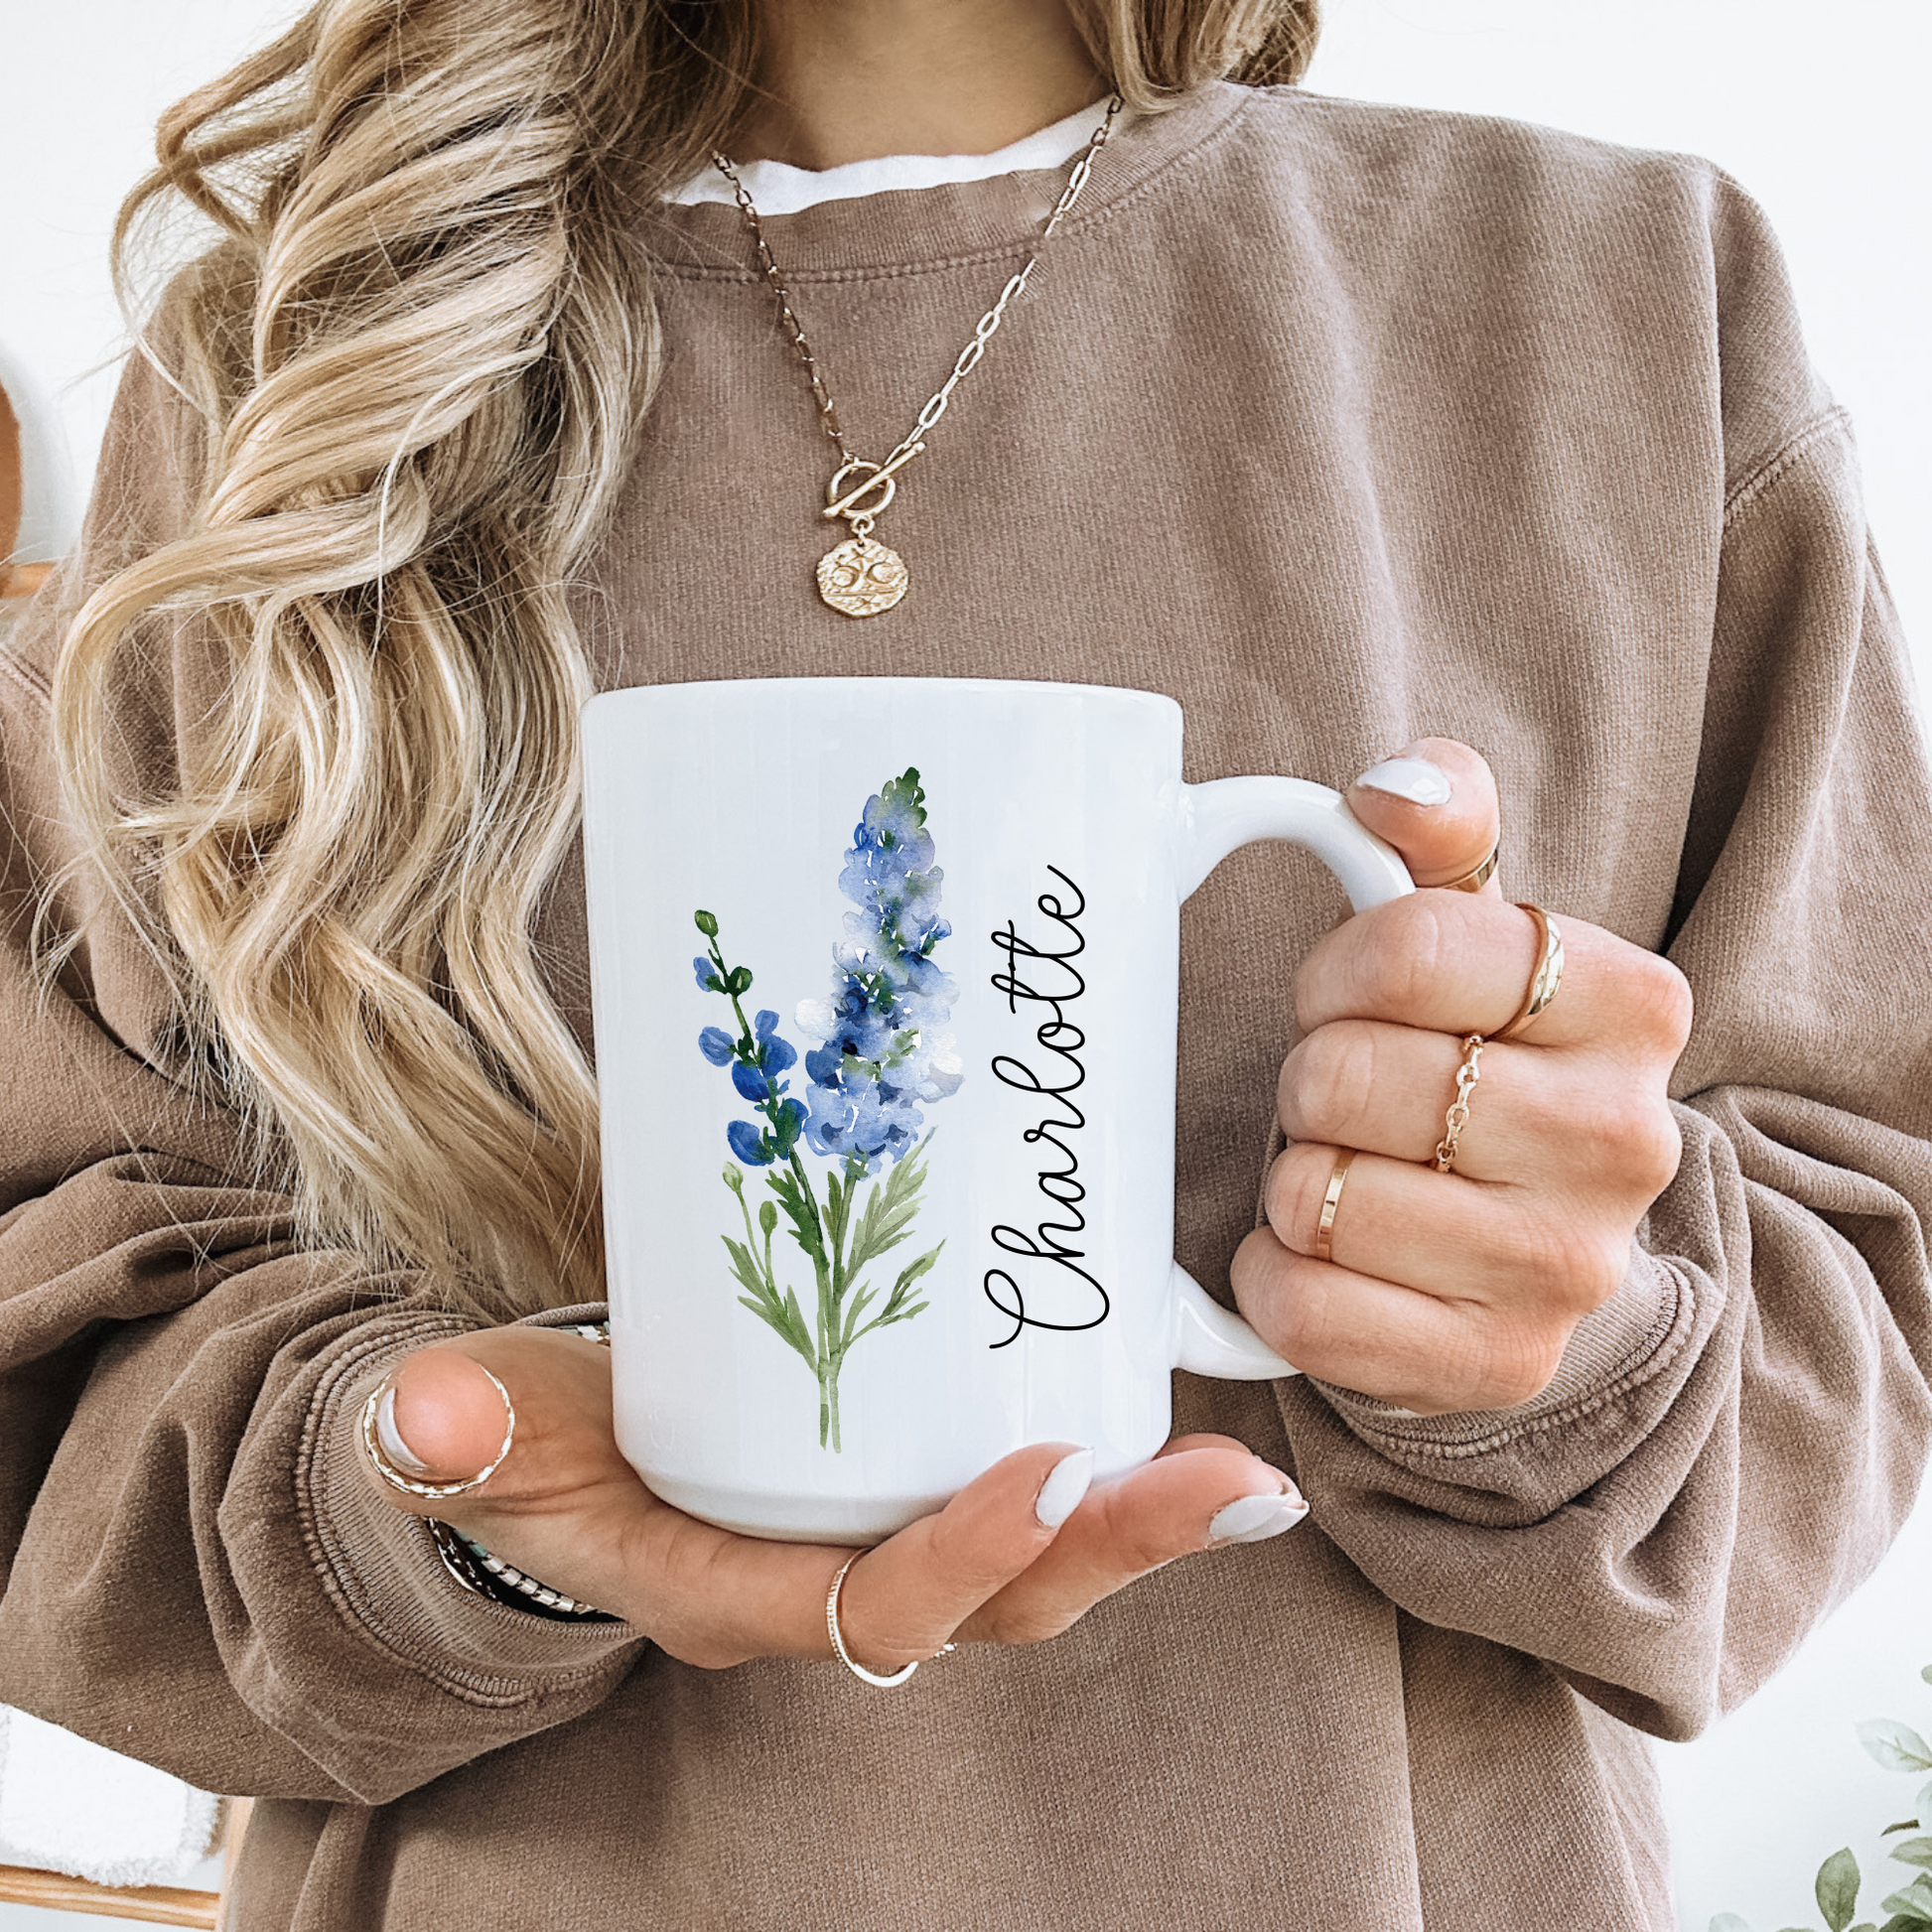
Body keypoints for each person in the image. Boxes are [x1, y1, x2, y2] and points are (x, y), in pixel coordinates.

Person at [2, 0, 1928, 1925]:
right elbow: (63, 1325)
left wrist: (1533, 1345)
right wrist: (440, 1508)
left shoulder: (1617, 314)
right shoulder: (292, 376)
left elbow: (1870, 1280)